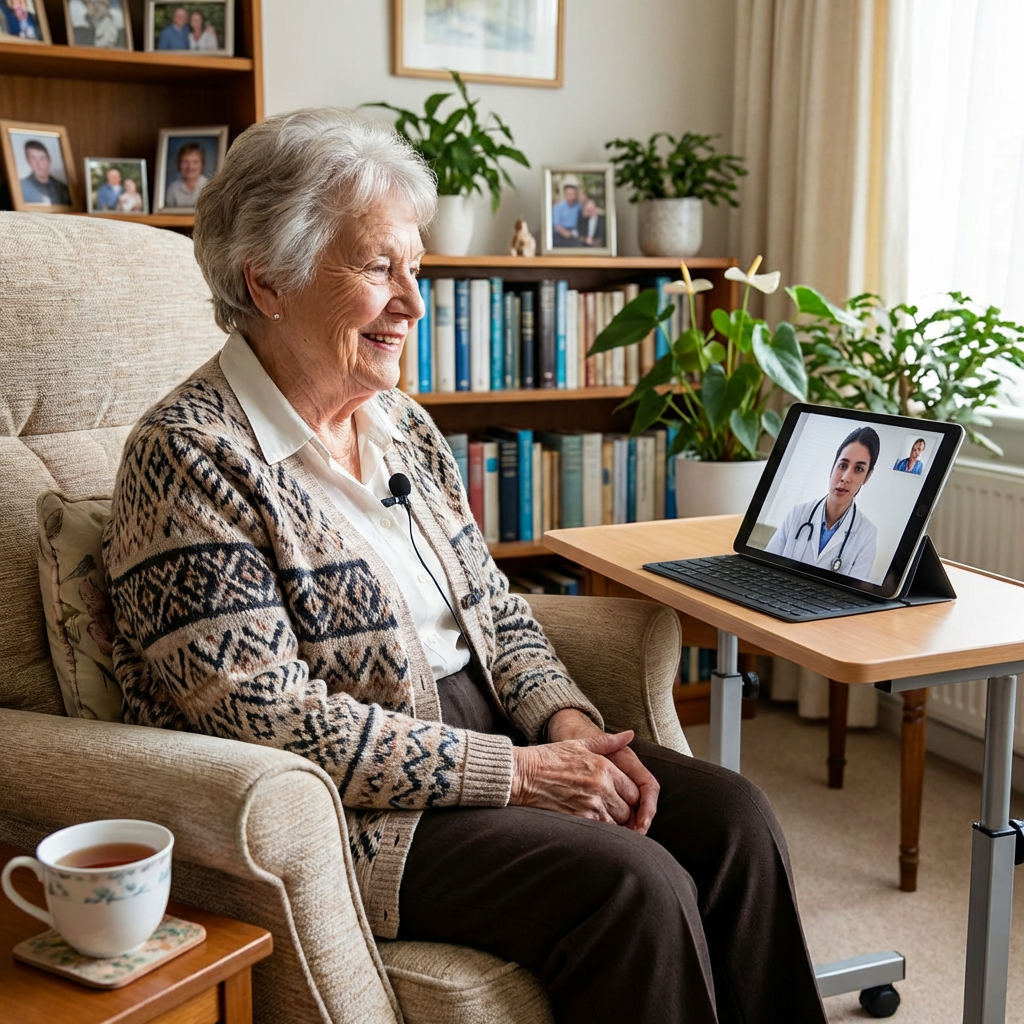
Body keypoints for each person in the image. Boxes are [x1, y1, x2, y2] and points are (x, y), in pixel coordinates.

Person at [103, 108, 828, 1024]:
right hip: (353, 810)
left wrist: (562, 723)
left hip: (490, 738)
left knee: (737, 822)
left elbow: (493, 606)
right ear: (270, 282)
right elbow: (268, 720)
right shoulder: (188, 457)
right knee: (633, 885)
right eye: (378, 268)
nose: (413, 301)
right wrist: (519, 775)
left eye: (415, 267)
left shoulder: (399, 421)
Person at [764, 426, 880, 578]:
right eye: (843, 465)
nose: (845, 477)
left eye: (858, 469)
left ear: (867, 477)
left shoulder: (867, 534)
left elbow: (852, 597)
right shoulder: (797, 514)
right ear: (833, 467)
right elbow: (765, 569)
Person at [19, 140, 72, 206]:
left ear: (49, 160)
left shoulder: (63, 189)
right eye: (33, 158)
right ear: (28, 161)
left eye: (42, 158)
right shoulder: (20, 187)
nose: (39, 164)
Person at [163, 142, 209, 207]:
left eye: (195, 162)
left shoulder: (209, 187)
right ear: (179, 164)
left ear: (202, 165)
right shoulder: (173, 189)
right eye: (185, 162)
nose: (190, 167)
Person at [551, 179, 581, 246]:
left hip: (575, 234)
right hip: (560, 235)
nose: (570, 196)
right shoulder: (557, 207)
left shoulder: (579, 206)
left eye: (572, 194)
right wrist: (566, 234)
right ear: (565, 194)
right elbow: (556, 225)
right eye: (568, 194)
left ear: (576, 195)